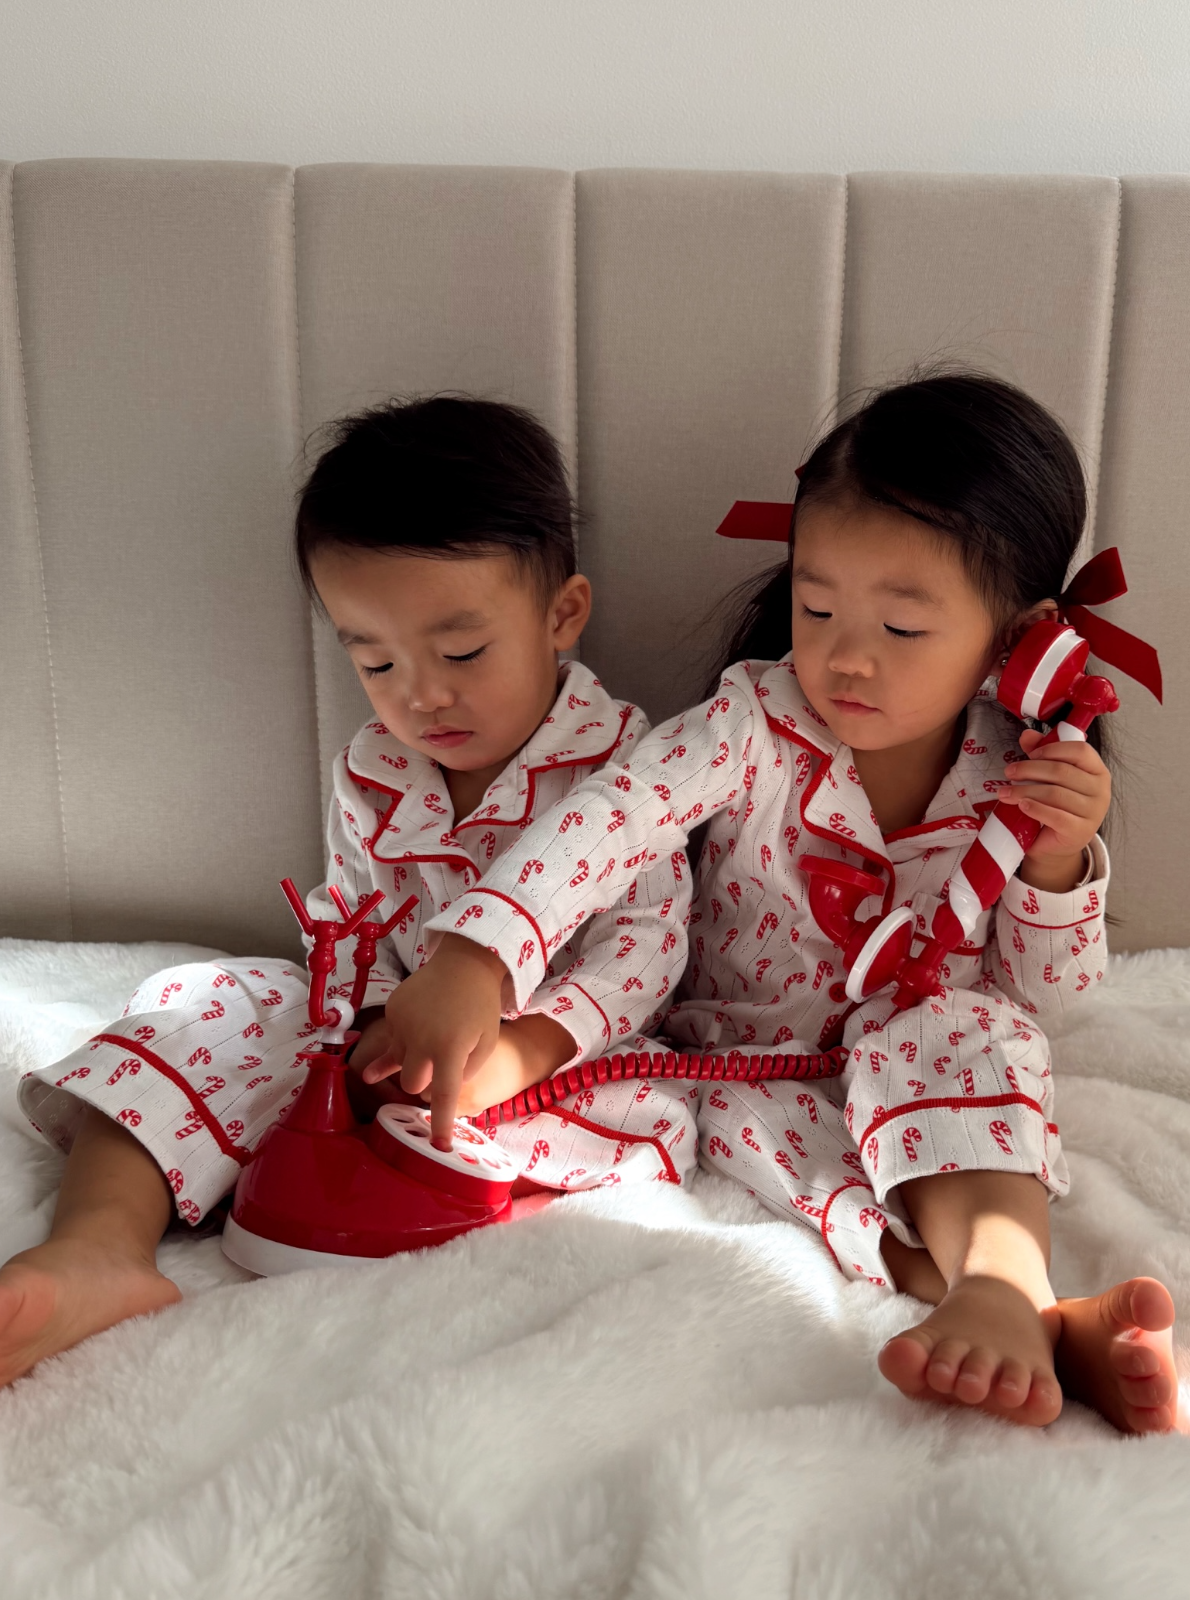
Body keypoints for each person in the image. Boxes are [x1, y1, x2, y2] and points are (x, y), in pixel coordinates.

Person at [372, 374, 1179, 1435]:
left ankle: (996, 1275)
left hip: (927, 1048)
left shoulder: (1020, 771)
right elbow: (614, 817)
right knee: (727, 1149)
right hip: (734, 1054)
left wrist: (1056, 864)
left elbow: (1051, 990)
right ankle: (1030, 1317)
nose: (844, 654)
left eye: (900, 625)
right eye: (816, 604)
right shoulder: (751, 723)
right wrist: (478, 955)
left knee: (971, 1029)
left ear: (1014, 639)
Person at [1, 396, 694, 1386]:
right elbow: (350, 917)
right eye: (373, 659)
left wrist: (516, 1052)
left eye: (460, 653)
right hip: (376, 1038)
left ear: (561, 615)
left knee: (613, 1117)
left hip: (557, 1052)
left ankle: (390, 1194)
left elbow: (646, 949)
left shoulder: (623, 769)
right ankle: (97, 1246)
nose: (419, 694)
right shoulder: (372, 769)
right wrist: (351, 1025)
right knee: (213, 1002)